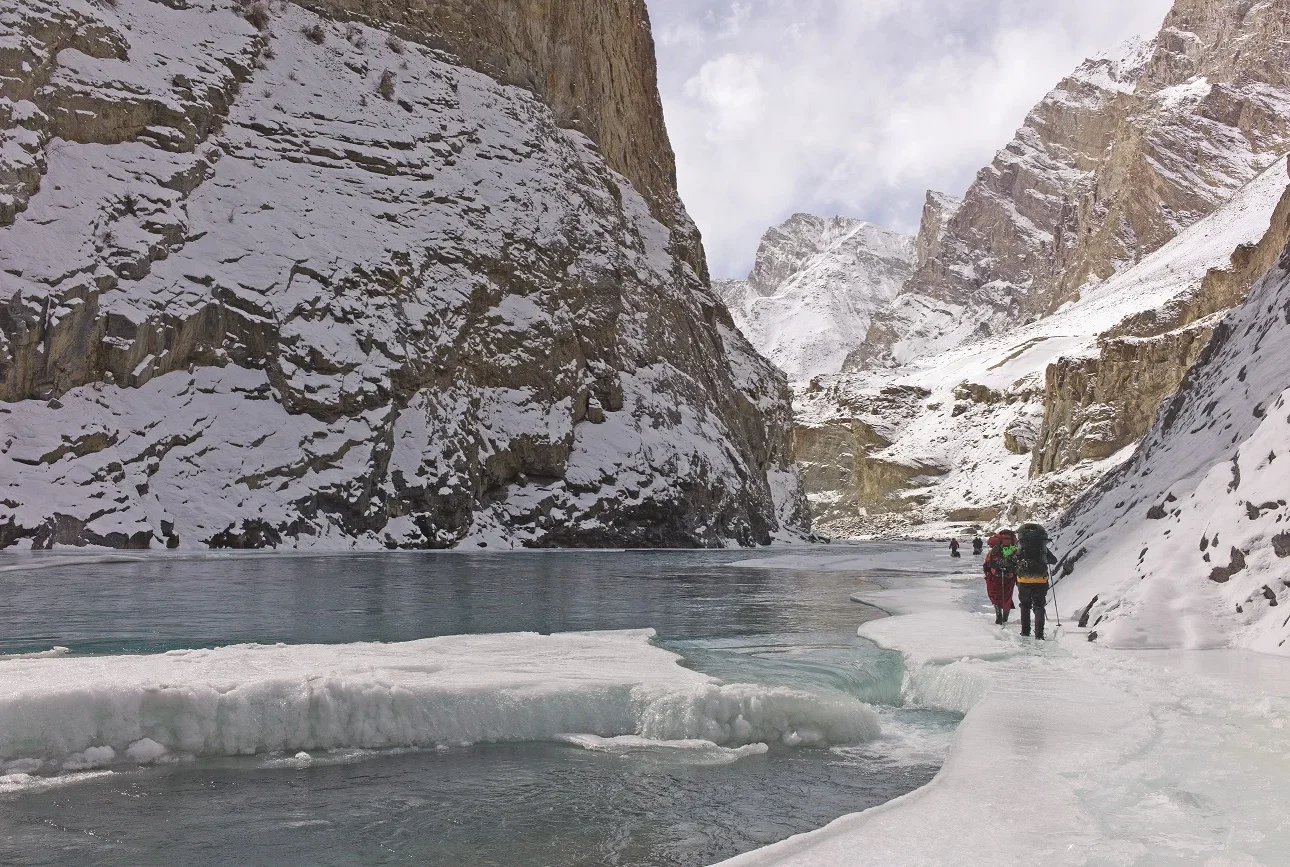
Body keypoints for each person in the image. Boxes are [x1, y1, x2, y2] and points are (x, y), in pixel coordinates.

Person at [1014, 523, 1058, 639]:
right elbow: (1053, 560)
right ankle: (1039, 633)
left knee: (1025, 605)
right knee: (1039, 606)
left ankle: (1025, 631)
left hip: (1023, 580)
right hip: (1040, 580)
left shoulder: (1020, 546)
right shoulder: (1042, 547)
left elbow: (1013, 559)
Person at [983, 529, 1017, 625]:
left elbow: (987, 563)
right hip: (1009, 576)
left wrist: (987, 572)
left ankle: (999, 615)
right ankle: (1005, 616)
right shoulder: (1014, 546)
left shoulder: (995, 548)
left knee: (995, 595)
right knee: (1007, 596)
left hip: (995, 576)